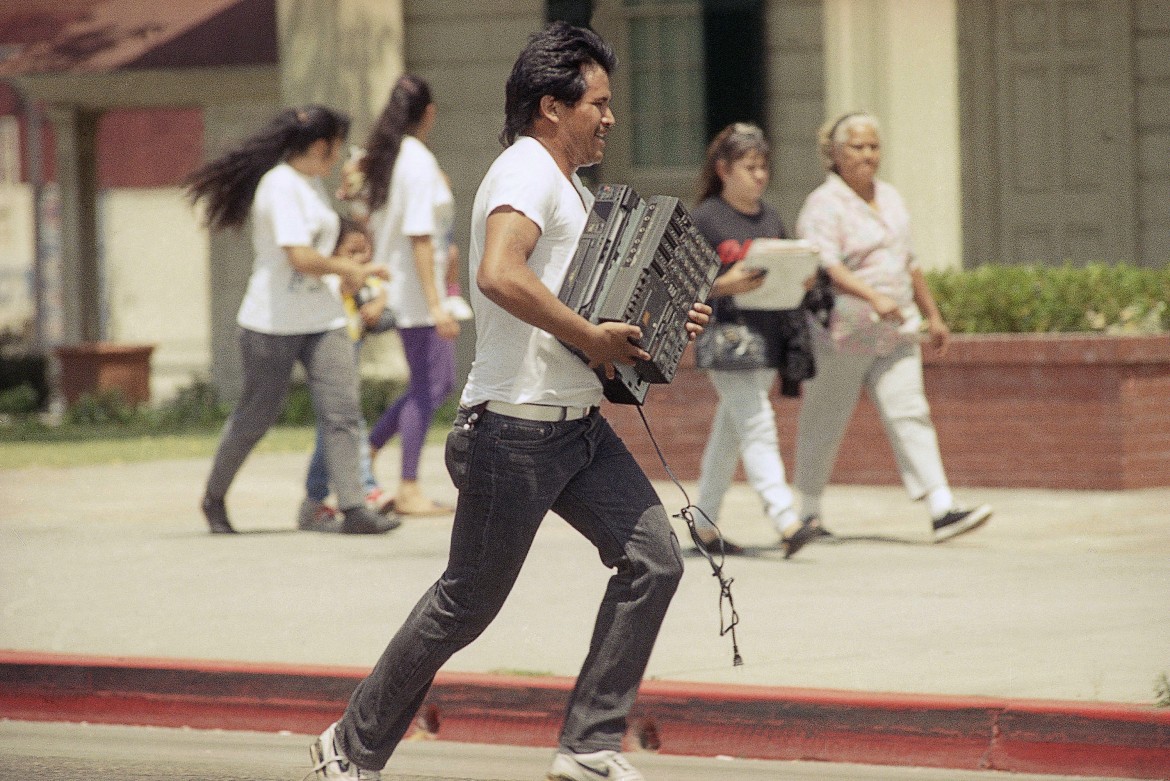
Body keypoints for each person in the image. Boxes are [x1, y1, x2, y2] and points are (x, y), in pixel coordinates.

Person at [307, 22, 710, 781]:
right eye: (597, 102)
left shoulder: (570, 185)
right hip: (512, 432)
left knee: (654, 560)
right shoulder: (526, 169)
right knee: (465, 603)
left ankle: (588, 743)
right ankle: (349, 747)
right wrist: (592, 336)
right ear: (550, 107)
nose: (610, 117)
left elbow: (590, 295)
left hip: (576, 428)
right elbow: (497, 272)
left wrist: (664, 316)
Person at [186, 105, 398, 536]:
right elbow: (299, 257)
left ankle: (354, 508)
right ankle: (214, 497)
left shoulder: (312, 185)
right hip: (271, 322)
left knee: (342, 412)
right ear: (322, 146)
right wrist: (350, 271)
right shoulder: (279, 186)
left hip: (323, 319)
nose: (338, 156)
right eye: (336, 147)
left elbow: (323, 245)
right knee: (257, 416)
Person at [794, 111, 992, 542]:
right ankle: (807, 513)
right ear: (834, 153)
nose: (868, 155)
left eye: (873, 146)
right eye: (857, 146)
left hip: (896, 330)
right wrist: (872, 296)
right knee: (824, 421)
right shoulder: (823, 204)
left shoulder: (892, 197)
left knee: (910, 413)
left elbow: (910, 262)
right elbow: (825, 263)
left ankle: (942, 508)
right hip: (842, 335)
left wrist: (934, 315)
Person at [690, 122, 822, 560]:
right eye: (750, 167)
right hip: (724, 338)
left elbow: (783, 271)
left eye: (764, 167)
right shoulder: (706, 218)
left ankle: (704, 523)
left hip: (766, 335)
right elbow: (684, 284)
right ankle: (785, 518)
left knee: (732, 432)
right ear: (724, 169)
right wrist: (727, 284)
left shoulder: (770, 217)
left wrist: (799, 277)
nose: (760, 176)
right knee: (757, 423)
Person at [356, 74, 460, 517]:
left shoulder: (395, 159)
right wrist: (437, 303)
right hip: (417, 294)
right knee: (430, 386)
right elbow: (420, 235)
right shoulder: (415, 160)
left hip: (409, 288)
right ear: (430, 115)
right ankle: (410, 486)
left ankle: (367, 453)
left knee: (433, 384)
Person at [299, 217, 395, 531]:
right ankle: (362, 488)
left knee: (343, 425)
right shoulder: (331, 279)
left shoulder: (357, 276)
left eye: (364, 252)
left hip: (349, 353)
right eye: (351, 252)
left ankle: (330, 495)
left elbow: (380, 291)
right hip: (331, 354)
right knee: (342, 424)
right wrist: (361, 271)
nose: (359, 260)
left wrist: (379, 303)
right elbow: (348, 282)